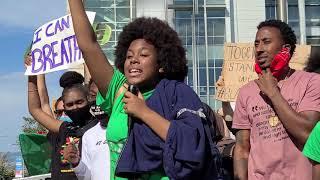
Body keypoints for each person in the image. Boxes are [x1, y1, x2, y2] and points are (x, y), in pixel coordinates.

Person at [68, 0, 222, 179]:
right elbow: (88, 45)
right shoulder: (120, 91)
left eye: (143, 55)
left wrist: (143, 112)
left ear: (162, 64)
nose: (133, 60)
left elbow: (192, 145)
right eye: (129, 56)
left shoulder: (178, 93)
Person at [232, 19, 320, 180]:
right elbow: (242, 147)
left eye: (266, 42)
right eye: (256, 44)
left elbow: (308, 134)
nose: (259, 49)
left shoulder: (312, 82)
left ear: (285, 49)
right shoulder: (246, 92)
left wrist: (273, 92)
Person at [28, 70, 98, 180]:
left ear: (89, 99)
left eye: (79, 102)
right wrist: (32, 74)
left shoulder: (99, 126)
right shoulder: (64, 129)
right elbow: (35, 109)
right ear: (64, 106)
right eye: (70, 104)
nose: (75, 107)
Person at [63, 79, 110, 180]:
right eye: (93, 95)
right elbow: (87, 177)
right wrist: (76, 163)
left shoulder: (131, 126)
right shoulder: (89, 135)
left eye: (103, 95)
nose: (98, 100)